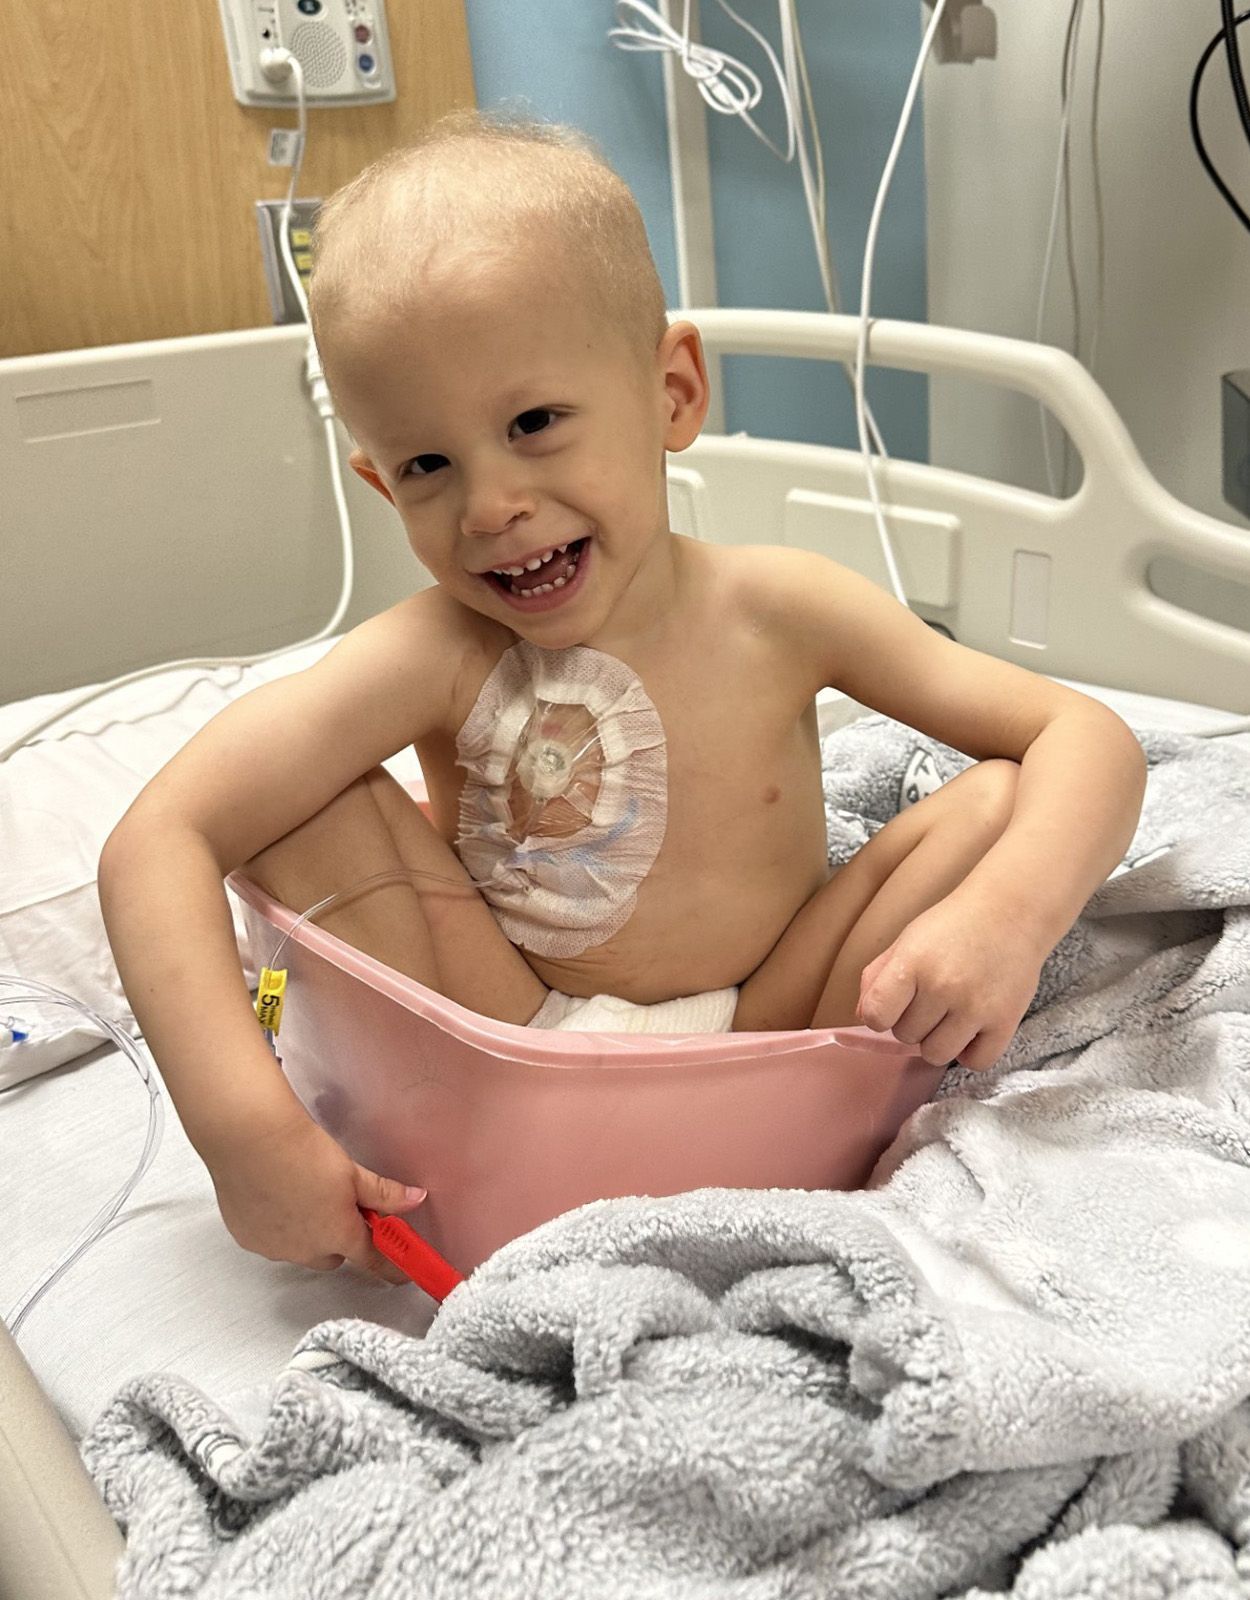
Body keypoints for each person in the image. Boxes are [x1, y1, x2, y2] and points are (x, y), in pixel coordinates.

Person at [98, 111, 1147, 1281]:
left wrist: (1005, 918)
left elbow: (1086, 736)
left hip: (776, 1032)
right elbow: (159, 840)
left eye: (533, 424)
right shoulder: (431, 650)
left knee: (1004, 798)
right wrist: (244, 1129)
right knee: (291, 798)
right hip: (506, 1040)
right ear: (376, 479)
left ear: (672, 393)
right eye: (427, 466)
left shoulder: (782, 608)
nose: (490, 504)